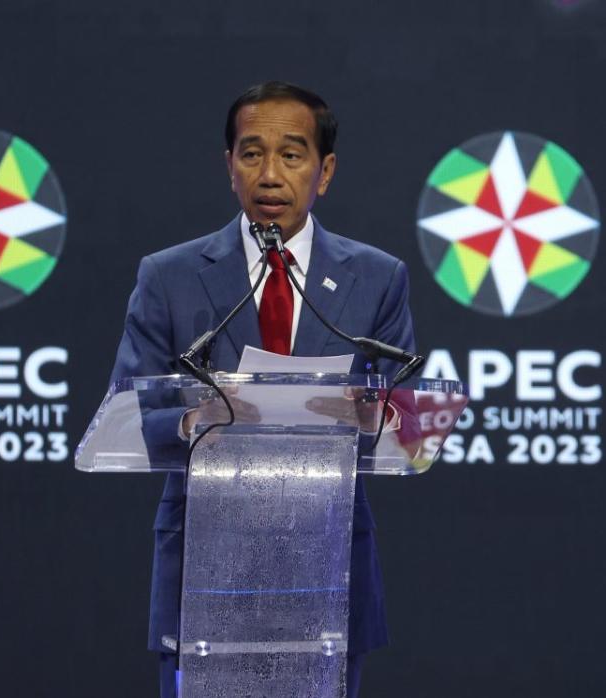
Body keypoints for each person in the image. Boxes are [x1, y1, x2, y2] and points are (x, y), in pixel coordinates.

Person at [108, 81, 417, 698]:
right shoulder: (169, 277)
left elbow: (404, 422)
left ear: (324, 172)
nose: (270, 173)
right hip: (204, 572)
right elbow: (127, 410)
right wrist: (194, 420)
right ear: (229, 167)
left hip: (329, 571)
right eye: (251, 153)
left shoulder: (379, 279)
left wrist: (362, 418)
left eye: (292, 154)